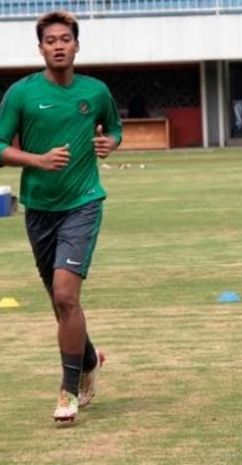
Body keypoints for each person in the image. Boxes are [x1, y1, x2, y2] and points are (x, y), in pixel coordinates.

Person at [0, 11, 122, 424]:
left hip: (83, 203)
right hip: (38, 209)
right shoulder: (20, 94)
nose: (57, 45)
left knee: (67, 295)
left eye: (65, 38)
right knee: (59, 302)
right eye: (50, 39)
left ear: (76, 45)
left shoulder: (96, 91)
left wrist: (110, 142)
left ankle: (69, 390)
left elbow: (115, 130)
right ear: (40, 48)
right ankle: (89, 359)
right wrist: (36, 159)